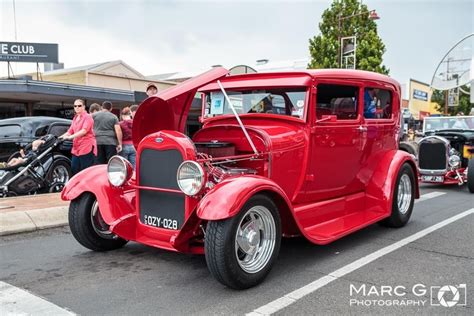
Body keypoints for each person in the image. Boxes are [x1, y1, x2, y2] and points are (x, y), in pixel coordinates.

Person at [59, 99, 97, 175]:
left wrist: (71, 137)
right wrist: (59, 138)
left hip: (86, 147)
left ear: (83, 107)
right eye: (75, 106)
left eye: (79, 106)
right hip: (76, 148)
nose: (77, 107)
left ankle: (86, 186)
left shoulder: (88, 117)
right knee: (74, 169)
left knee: (85, 171)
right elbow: (70, 131)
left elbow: (84, 131)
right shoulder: (75, 118)